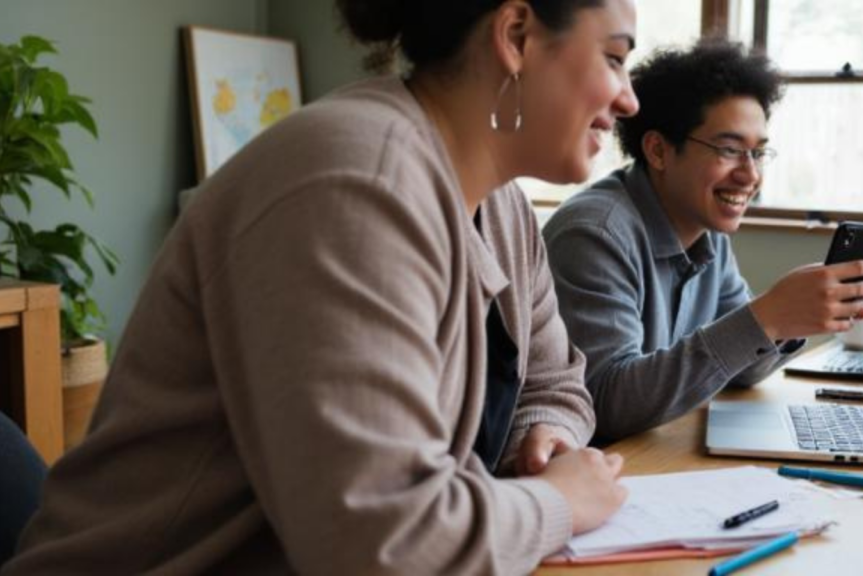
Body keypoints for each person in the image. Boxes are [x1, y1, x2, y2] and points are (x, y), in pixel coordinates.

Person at [2, 1, 640, 574]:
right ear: (517, 35)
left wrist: (543, 437)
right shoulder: (357, 182)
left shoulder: (502, 211)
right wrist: (557, 500)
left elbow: (557, 382)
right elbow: (381, 545)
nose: (630, 100)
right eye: (614, 58)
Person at [543, 39, 863, 443]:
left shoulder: (706, 231)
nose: (751, 176)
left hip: (655, 457)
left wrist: (785, 320)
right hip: (599, 477)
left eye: (759, 153)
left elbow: (742, 369)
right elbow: (605, 403)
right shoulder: (595, 234)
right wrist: (766, 317)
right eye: (730, 150)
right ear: (658, 150)